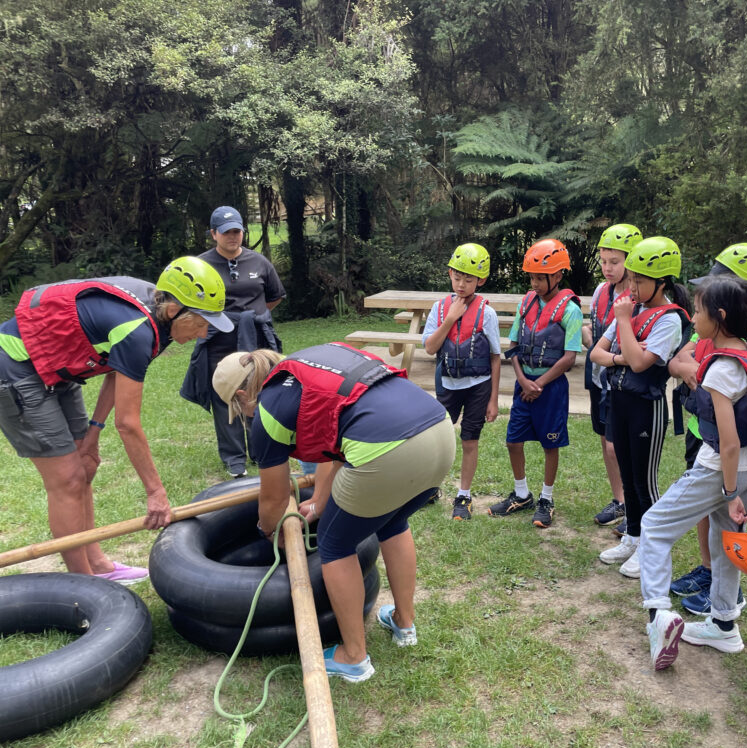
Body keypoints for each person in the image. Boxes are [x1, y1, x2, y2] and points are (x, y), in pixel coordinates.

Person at [213, 343, 454, 682]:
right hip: (439, 430)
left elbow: (273, 498)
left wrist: (269, 531)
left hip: (386, 451)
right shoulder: (311, 366)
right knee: (393, 521)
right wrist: (322, 501)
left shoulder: (269, 407)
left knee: (336, 545)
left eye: (238, 408)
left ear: (241, 395)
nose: (244, 416)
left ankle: (353, 657)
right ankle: (404, 623)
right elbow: (335, 445)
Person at [0, 257, 233, 582]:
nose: (203, 332)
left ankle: (98, 564)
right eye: (200, 323)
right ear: (174, 309)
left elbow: (115, 371)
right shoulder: (138, 329)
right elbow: (128, 423)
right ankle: (82, 584)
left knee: (85, 467)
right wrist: (155, 492)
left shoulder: (156, 317)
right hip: (16, 369)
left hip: (56, 366)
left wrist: (92, 437)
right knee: (67, 479)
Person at [638, 275, 747, 670]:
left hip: (722, 469)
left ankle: (658, 616)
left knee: (654, 526)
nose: (693, 316)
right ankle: (723, 624)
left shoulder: (721, 370)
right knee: (725, 545)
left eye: (698, 311)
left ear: (718, 317)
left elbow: (729, 441)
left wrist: (731, 490)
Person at [668, 242, 747, 614]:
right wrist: (692, 369)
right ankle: (709, 571)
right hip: (704, 433)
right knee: (710, 513)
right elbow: (681, 357)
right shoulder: (719, 330)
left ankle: (728, 592)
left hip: (728, 446)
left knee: (724, 515)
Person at [589, 237, 690, 578]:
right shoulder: (633, 310)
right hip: (619, 401)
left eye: (639, 280)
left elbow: (641, 364)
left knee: (645, 480)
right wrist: (623, 354)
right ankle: (633, 535)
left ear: (661, 282)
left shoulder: (669, 319)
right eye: (630, 278)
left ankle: (651, 544)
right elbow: (597, 354)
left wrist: (623, 328)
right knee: (628, 476)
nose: (631, 286)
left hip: (646, 407)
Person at [181, 205, 286, 478]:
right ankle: (234, 458)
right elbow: (191, 302)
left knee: (259, 390)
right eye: (226, 232)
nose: (233, 237)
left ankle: (260, 449)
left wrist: (251, 319)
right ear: (214, 234)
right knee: (224, 394)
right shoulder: (200, 266)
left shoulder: (259, 262)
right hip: (218, 338)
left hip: (256, 337)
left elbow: (274, 296)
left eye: (237, 231)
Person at [488, 239, 583, 528]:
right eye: (531, 277)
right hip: (523, 382)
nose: (535, 282)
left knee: (549, 444)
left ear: (557, 276)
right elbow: (513, 343)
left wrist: (538, 383)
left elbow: (569, 357)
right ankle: (521, 494)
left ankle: (546, 499)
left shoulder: (571, 310)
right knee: (512, 440)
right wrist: (521, 379)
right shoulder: (526, 302)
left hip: (550, 388)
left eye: (539, 277)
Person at [421, 244, 501, 520]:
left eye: (469, 279)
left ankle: (464, 496)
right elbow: (431, 348)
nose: (462, 284)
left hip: (478, 387)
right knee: (438, 439)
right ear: (449, 274)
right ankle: (430, 488)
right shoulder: (439, 308)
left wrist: (493, 400)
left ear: (481, 281)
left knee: (470, 440)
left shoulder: (486, 313)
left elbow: (494, 357)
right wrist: (451, 318)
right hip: (447, 384)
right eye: (457, 277)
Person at [582, 224, 641, 530]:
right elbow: (594, 328)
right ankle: (619, 500)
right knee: (606, 443)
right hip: (598, 378)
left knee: (617, 446)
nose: (607, 267)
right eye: (604, 261)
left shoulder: (638, 295)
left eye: (614, 262)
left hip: (623, 384)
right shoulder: (599, 292)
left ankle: (633, 506)